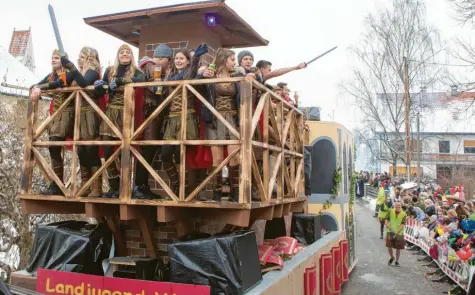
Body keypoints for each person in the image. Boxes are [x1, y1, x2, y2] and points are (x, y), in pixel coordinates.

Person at [201, 48, 255, 202]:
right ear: (224, 60)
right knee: (217, 159)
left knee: (235, 157)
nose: (235, 63)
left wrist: (249, 76)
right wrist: (201, 73)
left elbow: (249, 79)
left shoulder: (237, 76)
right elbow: (196, 80)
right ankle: (217, 192)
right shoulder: (210, 75)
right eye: (232, 59)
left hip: (232, 119)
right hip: (214, 120)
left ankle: (235, 191)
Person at [96, 44, 145, 198]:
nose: (124, 54)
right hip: (111, 111)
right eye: (121, 52)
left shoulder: (137, 71)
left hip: (126, 112)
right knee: (107, 146)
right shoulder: (110, 70)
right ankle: (114, 185)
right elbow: (103, 88)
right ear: (118, 55)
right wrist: (100, 85)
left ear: (131, 56)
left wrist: (120, 81)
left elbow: (141, 79)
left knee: (125, 149)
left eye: (127, 52)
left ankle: (126, 187)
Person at [161, 45, 208, 196]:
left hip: (187, 116)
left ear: (187, 61)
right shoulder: (170, 76)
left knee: (182, 154)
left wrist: (196, 58)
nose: (178, 61)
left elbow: (191, 74)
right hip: (172, 118)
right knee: (166, 155)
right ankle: (176, 185)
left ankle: (185, 190)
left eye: (182, 58)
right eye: (176, 58)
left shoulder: (190, 73)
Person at [29, 49, 75, 195]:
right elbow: (37, 84)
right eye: (52, 58)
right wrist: (36, 88)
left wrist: (40, 88)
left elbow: (59, 84)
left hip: (67, 112)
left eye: (57, 58)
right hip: (55, 114)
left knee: (55, 145)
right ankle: (57, 183)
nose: (53, 60)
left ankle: (59, 184)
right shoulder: (51, 75)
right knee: (53, 147)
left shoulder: (68, 74)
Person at [61, 47, 103, 197]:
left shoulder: (92, 69)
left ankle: (97, 187)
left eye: (82, 56)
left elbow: (84, 83)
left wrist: (72, 67)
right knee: (81, 150)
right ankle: (85, 184)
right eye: (78, 56)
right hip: (78, 112)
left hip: (89, 112)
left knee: (90, 148)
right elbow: (65, 83)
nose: (79, 59)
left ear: (89, 57)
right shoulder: (77, 71)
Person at [133, 44, 173, 200]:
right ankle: (140, 186)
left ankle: (141, 186)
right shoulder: (153, 66)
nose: (168, 65)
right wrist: (166, 79)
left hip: (148, 111)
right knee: (148, 149)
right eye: (168, 61)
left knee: (147, 150)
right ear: (163, 58)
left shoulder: (146, 66)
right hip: (150, 112)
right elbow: (157, 89)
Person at [385, 201, 406, 266]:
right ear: (394, 206)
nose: (397, 207)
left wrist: (396, 232)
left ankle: (397, 261)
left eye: (399, 206)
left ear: (401, 206)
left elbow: (402, 225)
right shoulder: (390, 211)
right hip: (390, 231)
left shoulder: (403, 214)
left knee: (398, 248)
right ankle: (392, 257)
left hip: (399, 233)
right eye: (396, 206)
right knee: (389, 246)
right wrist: (388, 226)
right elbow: (386, 220)